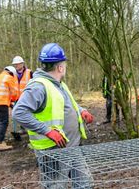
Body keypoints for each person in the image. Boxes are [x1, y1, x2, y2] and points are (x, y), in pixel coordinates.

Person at [12, 43, 94, 188]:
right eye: (64, 64)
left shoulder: (58, 83)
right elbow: (19, 112)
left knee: (84, 183)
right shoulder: (38, 86)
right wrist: (47, 130)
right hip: (53, 151)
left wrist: (81, 110)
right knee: (56, 186)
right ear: (60, 67)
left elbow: (67, 103)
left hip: (72, 146)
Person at [0, 66, 19, 151]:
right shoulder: (8, 77)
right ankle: (0, 143)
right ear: (12, 73)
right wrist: (13, 101)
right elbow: (14, 93)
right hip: (1, 102)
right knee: (4, 122)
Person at [11, 56, 33, 140]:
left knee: (29, 114)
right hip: (17, 98)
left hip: (28, 97)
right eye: (15, 64)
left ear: (22, 64)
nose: (16, 66)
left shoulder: (29, 72)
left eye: (17, 64)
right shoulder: (13, 74)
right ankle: (19, 130)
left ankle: (30, 130)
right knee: (16, 114)